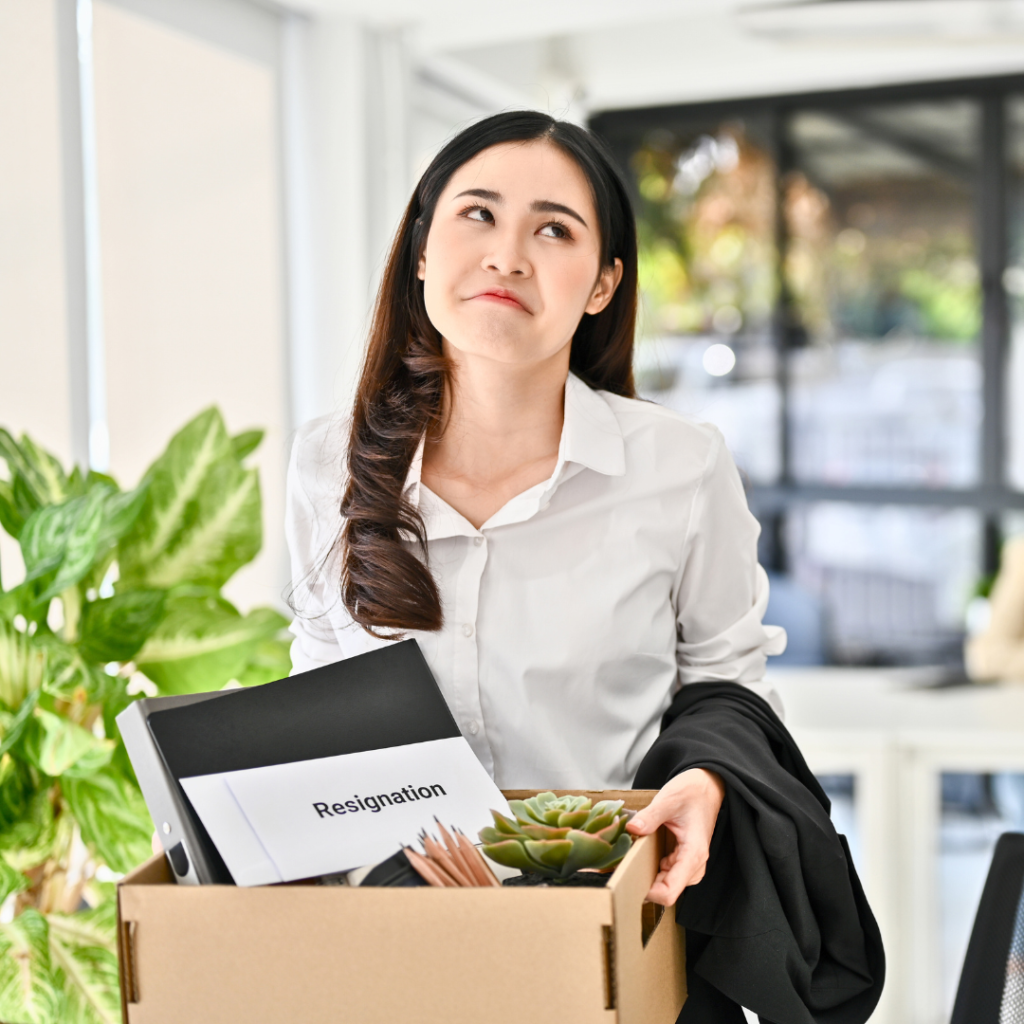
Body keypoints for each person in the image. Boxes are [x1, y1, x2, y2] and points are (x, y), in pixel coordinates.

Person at [286, 111, 882, 1023]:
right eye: (477, 214)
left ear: (604, 282)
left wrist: (708, 782)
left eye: (554, 230)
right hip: (393, 958)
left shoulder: (680, 467)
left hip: (617, 944)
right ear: (421, 251)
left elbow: (727, 688)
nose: (507, 255)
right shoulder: (327, 463)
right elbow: (317, 692)